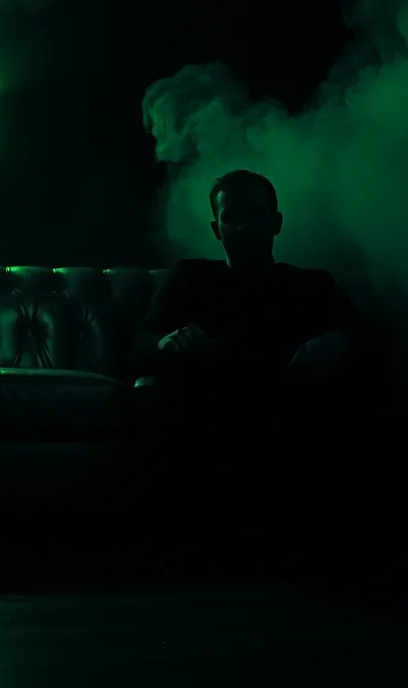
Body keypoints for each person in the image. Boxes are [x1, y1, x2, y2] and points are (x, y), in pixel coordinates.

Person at [133, 170, 361, 532]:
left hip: (287, 420)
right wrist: (168, 341)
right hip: (209, 421)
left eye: (256, 215)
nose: (244, 227)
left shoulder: (312, 285)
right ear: (216, 229)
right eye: (232, 217)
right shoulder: (191, 278)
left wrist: (339, 342)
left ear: (277, 222)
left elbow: (362, 342)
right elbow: (140, 344)